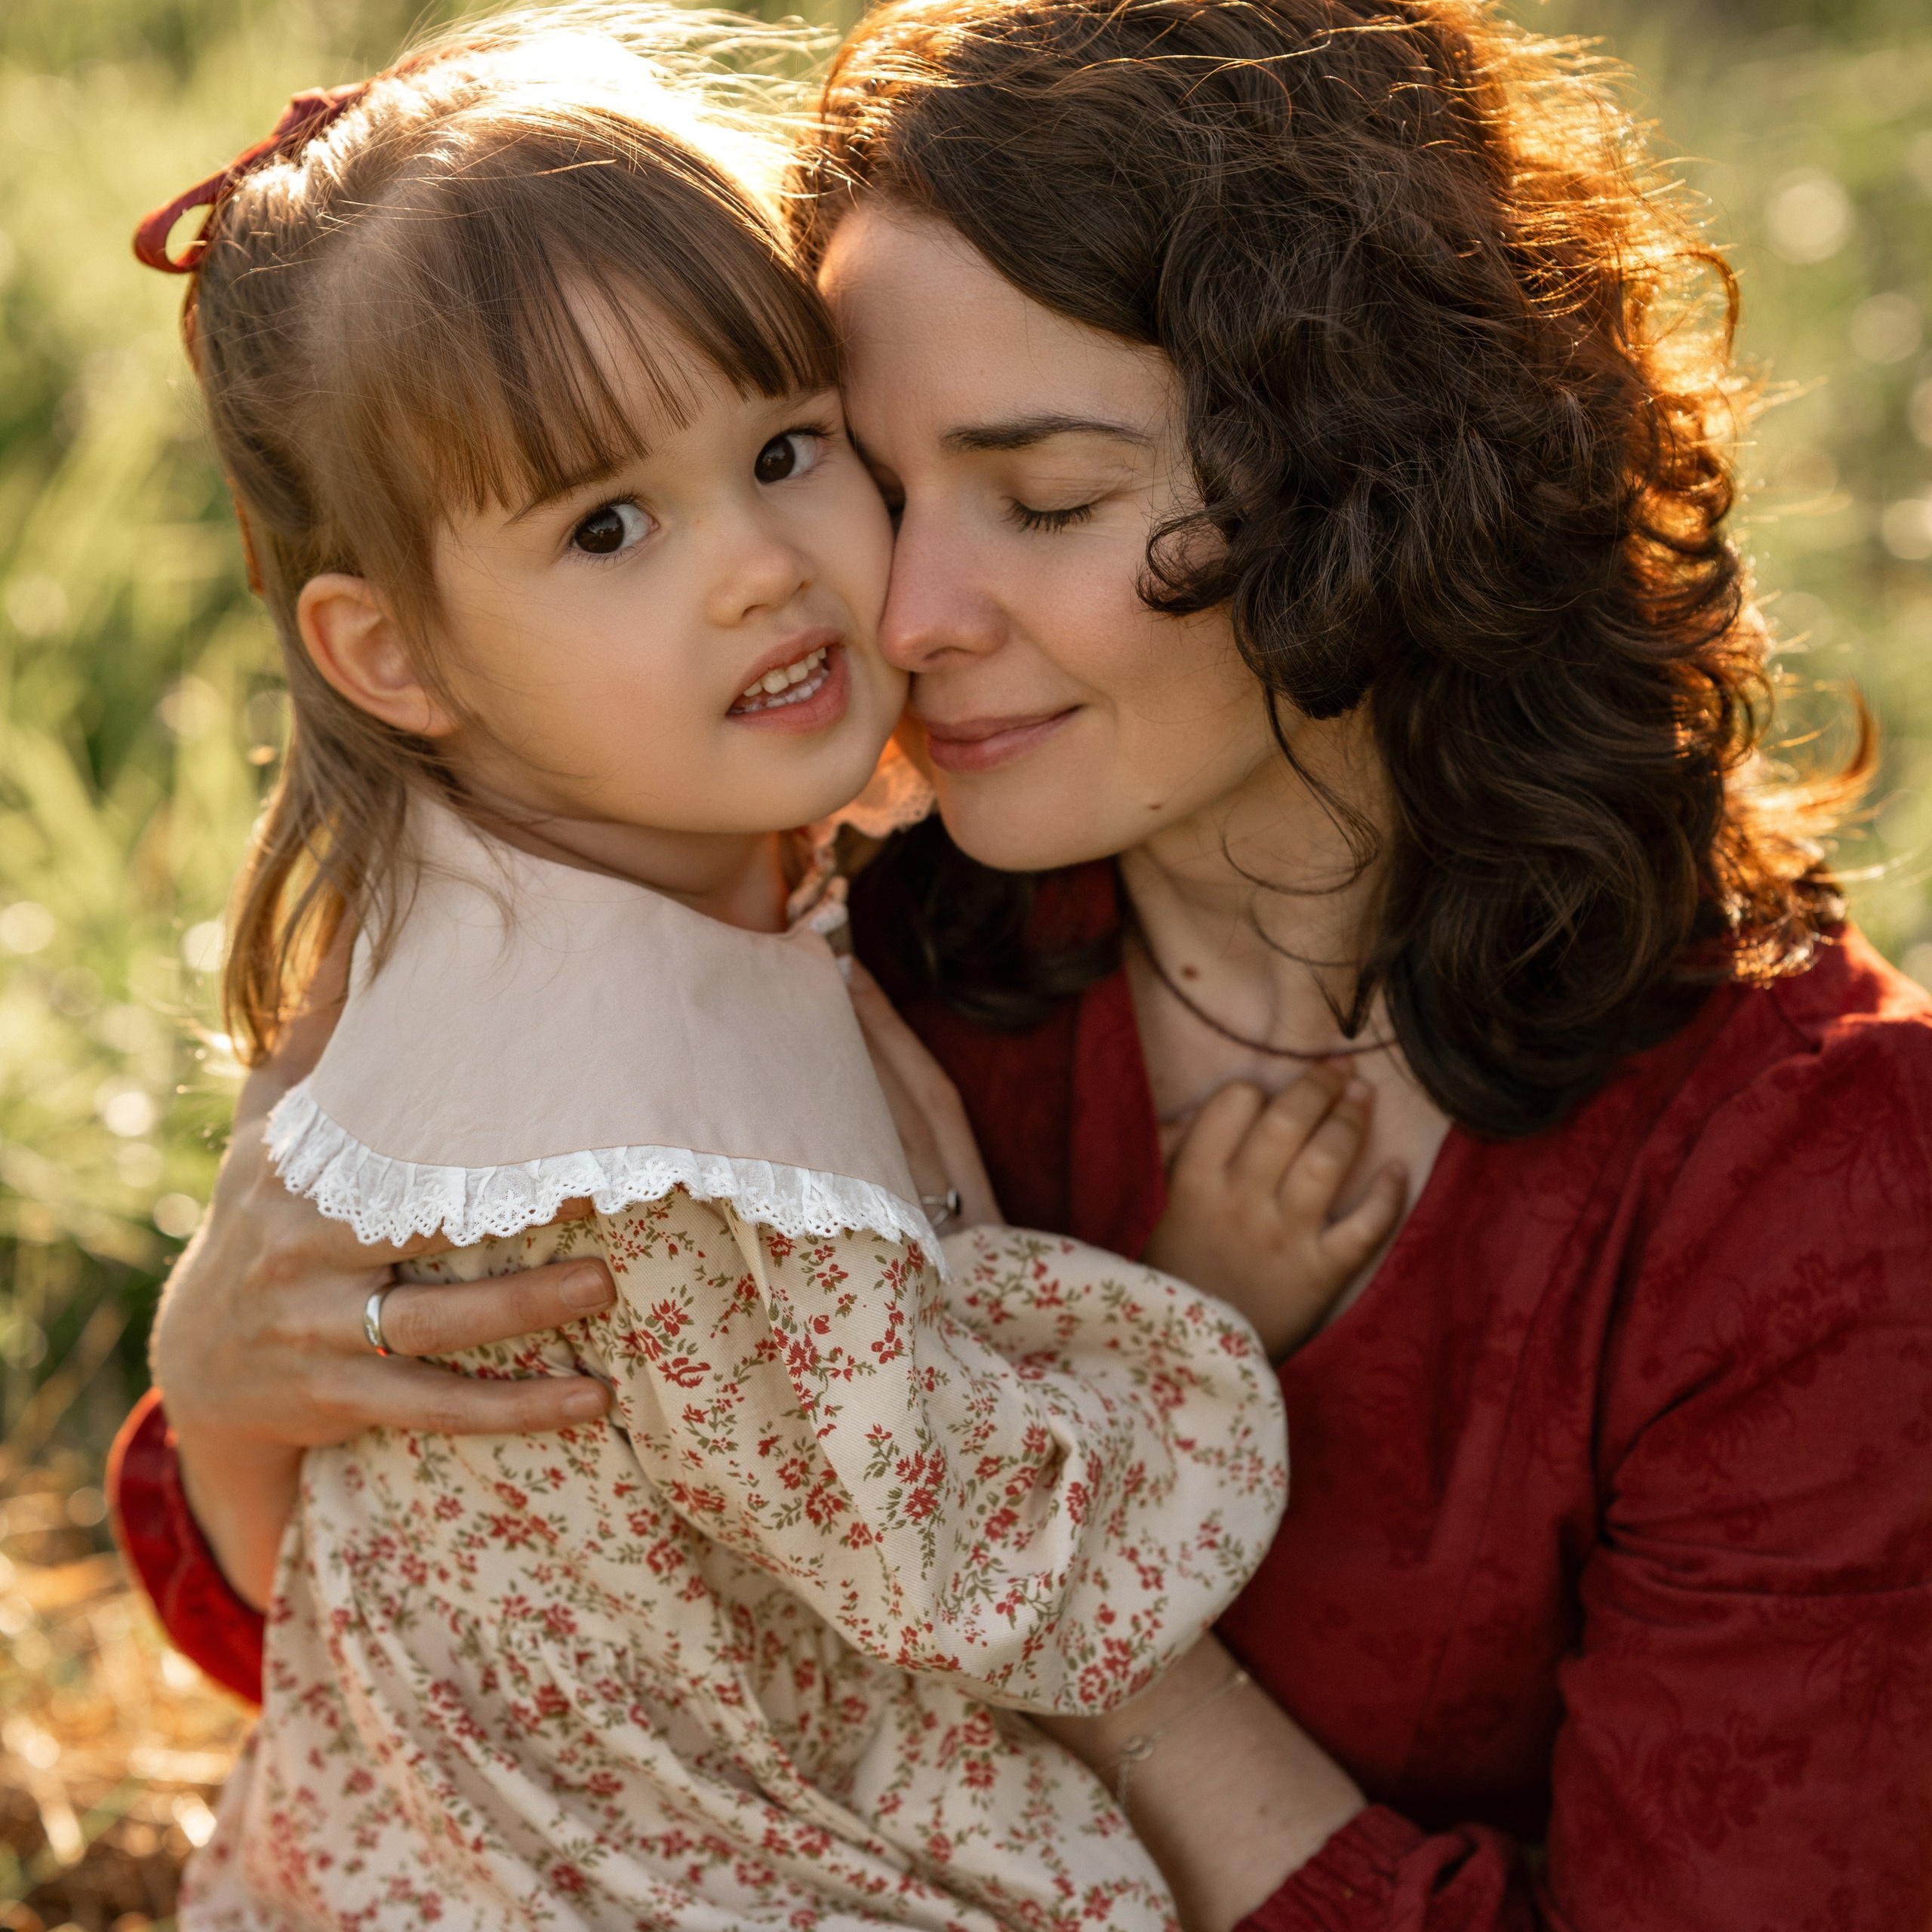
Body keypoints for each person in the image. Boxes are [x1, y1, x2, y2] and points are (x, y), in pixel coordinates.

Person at [114, 0, 1932, 1927]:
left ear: (1364, 474)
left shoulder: (1800, 1192)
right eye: (879, 477)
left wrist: (1089, 1649)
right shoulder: (852, 905)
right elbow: (483, 1680)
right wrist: (222, 1379)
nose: (886, 606)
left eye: (1041, 500)